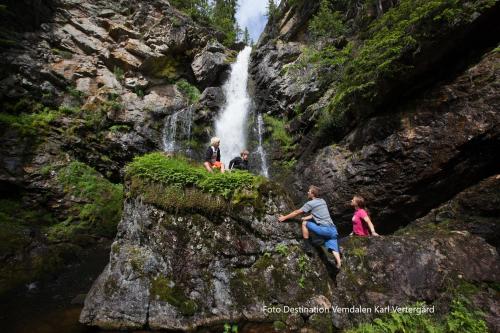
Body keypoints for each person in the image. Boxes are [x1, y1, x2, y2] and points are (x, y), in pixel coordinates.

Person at [278, 185, 341, 268]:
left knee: (304, 223)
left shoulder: (310, 203)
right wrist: (307, 217)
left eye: (309, 191)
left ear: (312, 194)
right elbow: (315, 214)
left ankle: (307, 246)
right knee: (334, 249)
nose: (307, 192)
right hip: (333, 231)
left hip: (324, 230)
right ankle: (339, 264)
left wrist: (284, 217)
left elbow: (296, 212)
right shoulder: (322, 201)